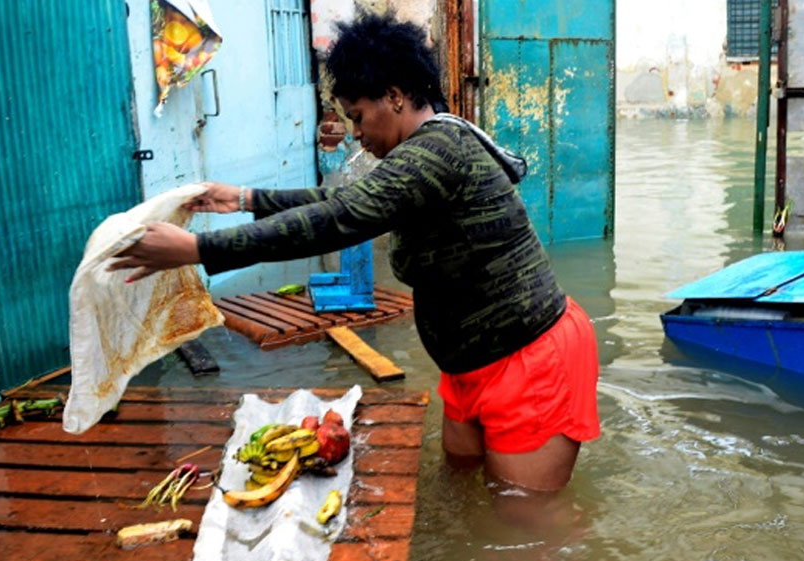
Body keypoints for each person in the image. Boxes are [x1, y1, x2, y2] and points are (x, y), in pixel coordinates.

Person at [109, 10, 599, 495]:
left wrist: (196, 248)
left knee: (525, 529)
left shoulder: (440, 150)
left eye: (359, 117)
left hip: (528, 362)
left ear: (395, 95)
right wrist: (243, 199)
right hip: (469, 368)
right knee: (462, 490)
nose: (357, 132)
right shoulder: (421, 154)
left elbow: (340, 220)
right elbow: (343, 203)